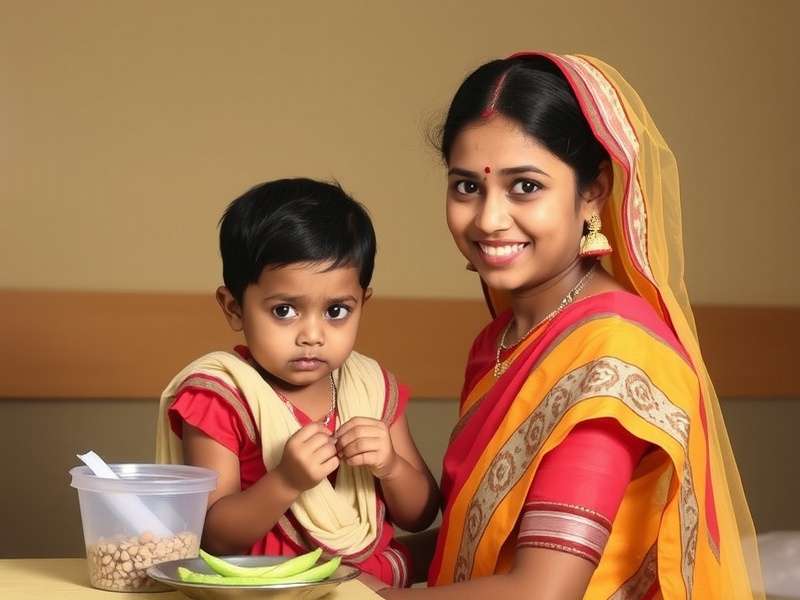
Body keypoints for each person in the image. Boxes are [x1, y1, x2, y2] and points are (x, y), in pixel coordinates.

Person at [380, 53, 763, 599]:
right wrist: (355, 568)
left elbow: (543, 591)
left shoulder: (612, 356)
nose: (488, 218)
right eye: (467, 187)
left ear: (593, 192)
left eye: (525, 186)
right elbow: (477, 547)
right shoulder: (501, 340)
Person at [155, 178, 440, 588]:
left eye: (337, 310)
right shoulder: (221, 396)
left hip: (371, 583)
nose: (313, 334)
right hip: (267, 587)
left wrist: (391, 466)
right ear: (234, 307)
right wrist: (285, 481)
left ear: (363, 303)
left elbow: (420, 514)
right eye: (285, 310)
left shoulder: (371, 387)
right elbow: (212, 535)